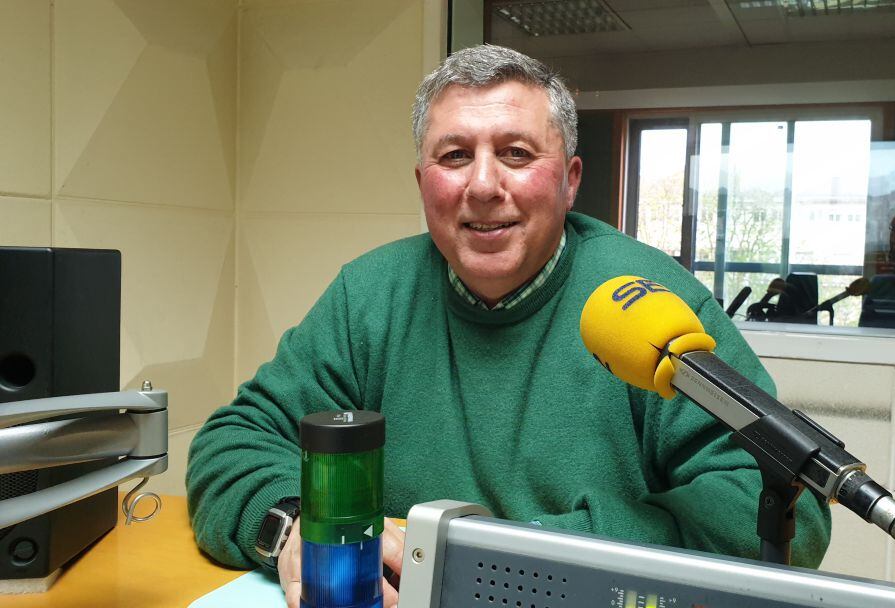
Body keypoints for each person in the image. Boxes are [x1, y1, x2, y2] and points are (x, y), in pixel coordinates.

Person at [186, 44, 830, 608]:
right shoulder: (368, 297)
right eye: (455, 156)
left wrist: (513, 562)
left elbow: (781, 507)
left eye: (517, 154)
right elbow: (233, 442)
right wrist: (292, 526)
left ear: (570, 181)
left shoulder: (650, 301)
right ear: (422, 183)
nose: (484, 184)